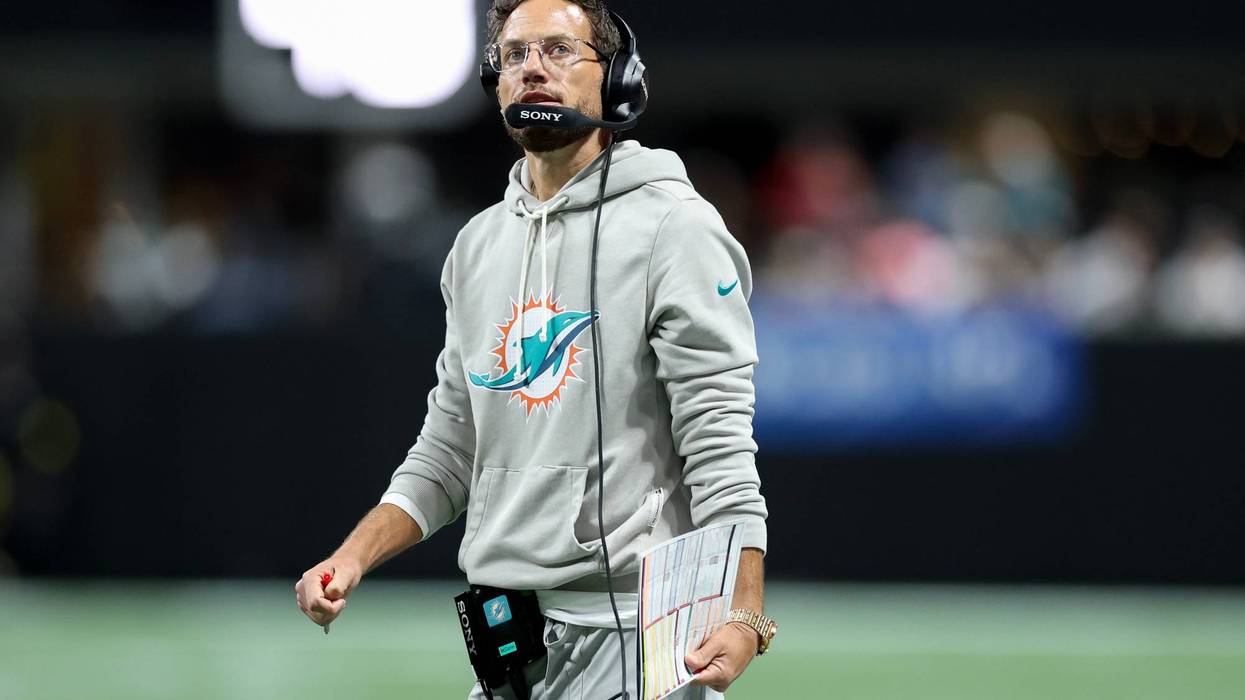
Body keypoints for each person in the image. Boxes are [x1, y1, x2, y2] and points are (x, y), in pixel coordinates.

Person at [294, 1, 772, 697]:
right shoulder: (477, 246)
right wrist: (353, 556)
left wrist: (744, 610)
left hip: (634, 635)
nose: (532, 69)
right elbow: (449, 449)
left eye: (557, 49)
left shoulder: (675, 228)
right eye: (515, 55)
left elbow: (719, 438)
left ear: (615, 77)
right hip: (506, 633)